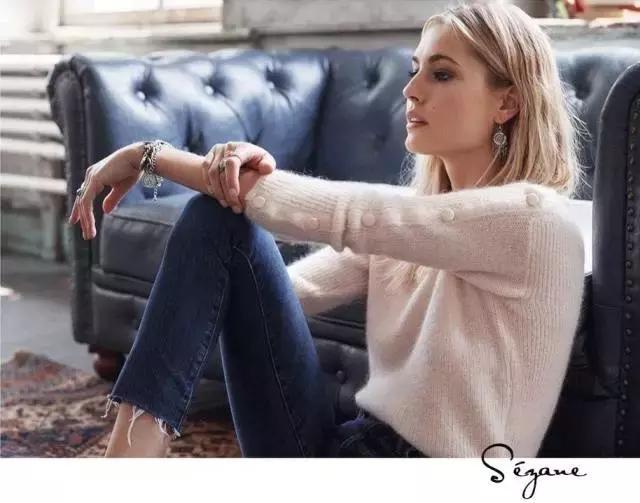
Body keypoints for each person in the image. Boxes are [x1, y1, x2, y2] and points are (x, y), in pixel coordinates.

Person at [69, 0, 587, 458]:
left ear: (507, 102)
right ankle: (130, 463)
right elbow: (278, 295)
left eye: (442, 74)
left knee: (221, 212)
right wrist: (223, 221)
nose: (411, 91)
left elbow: (347, 214)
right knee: (215, 218)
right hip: (347, 447)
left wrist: (151, 155)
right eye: (415, 71)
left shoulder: (534, 221)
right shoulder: (417, 220)